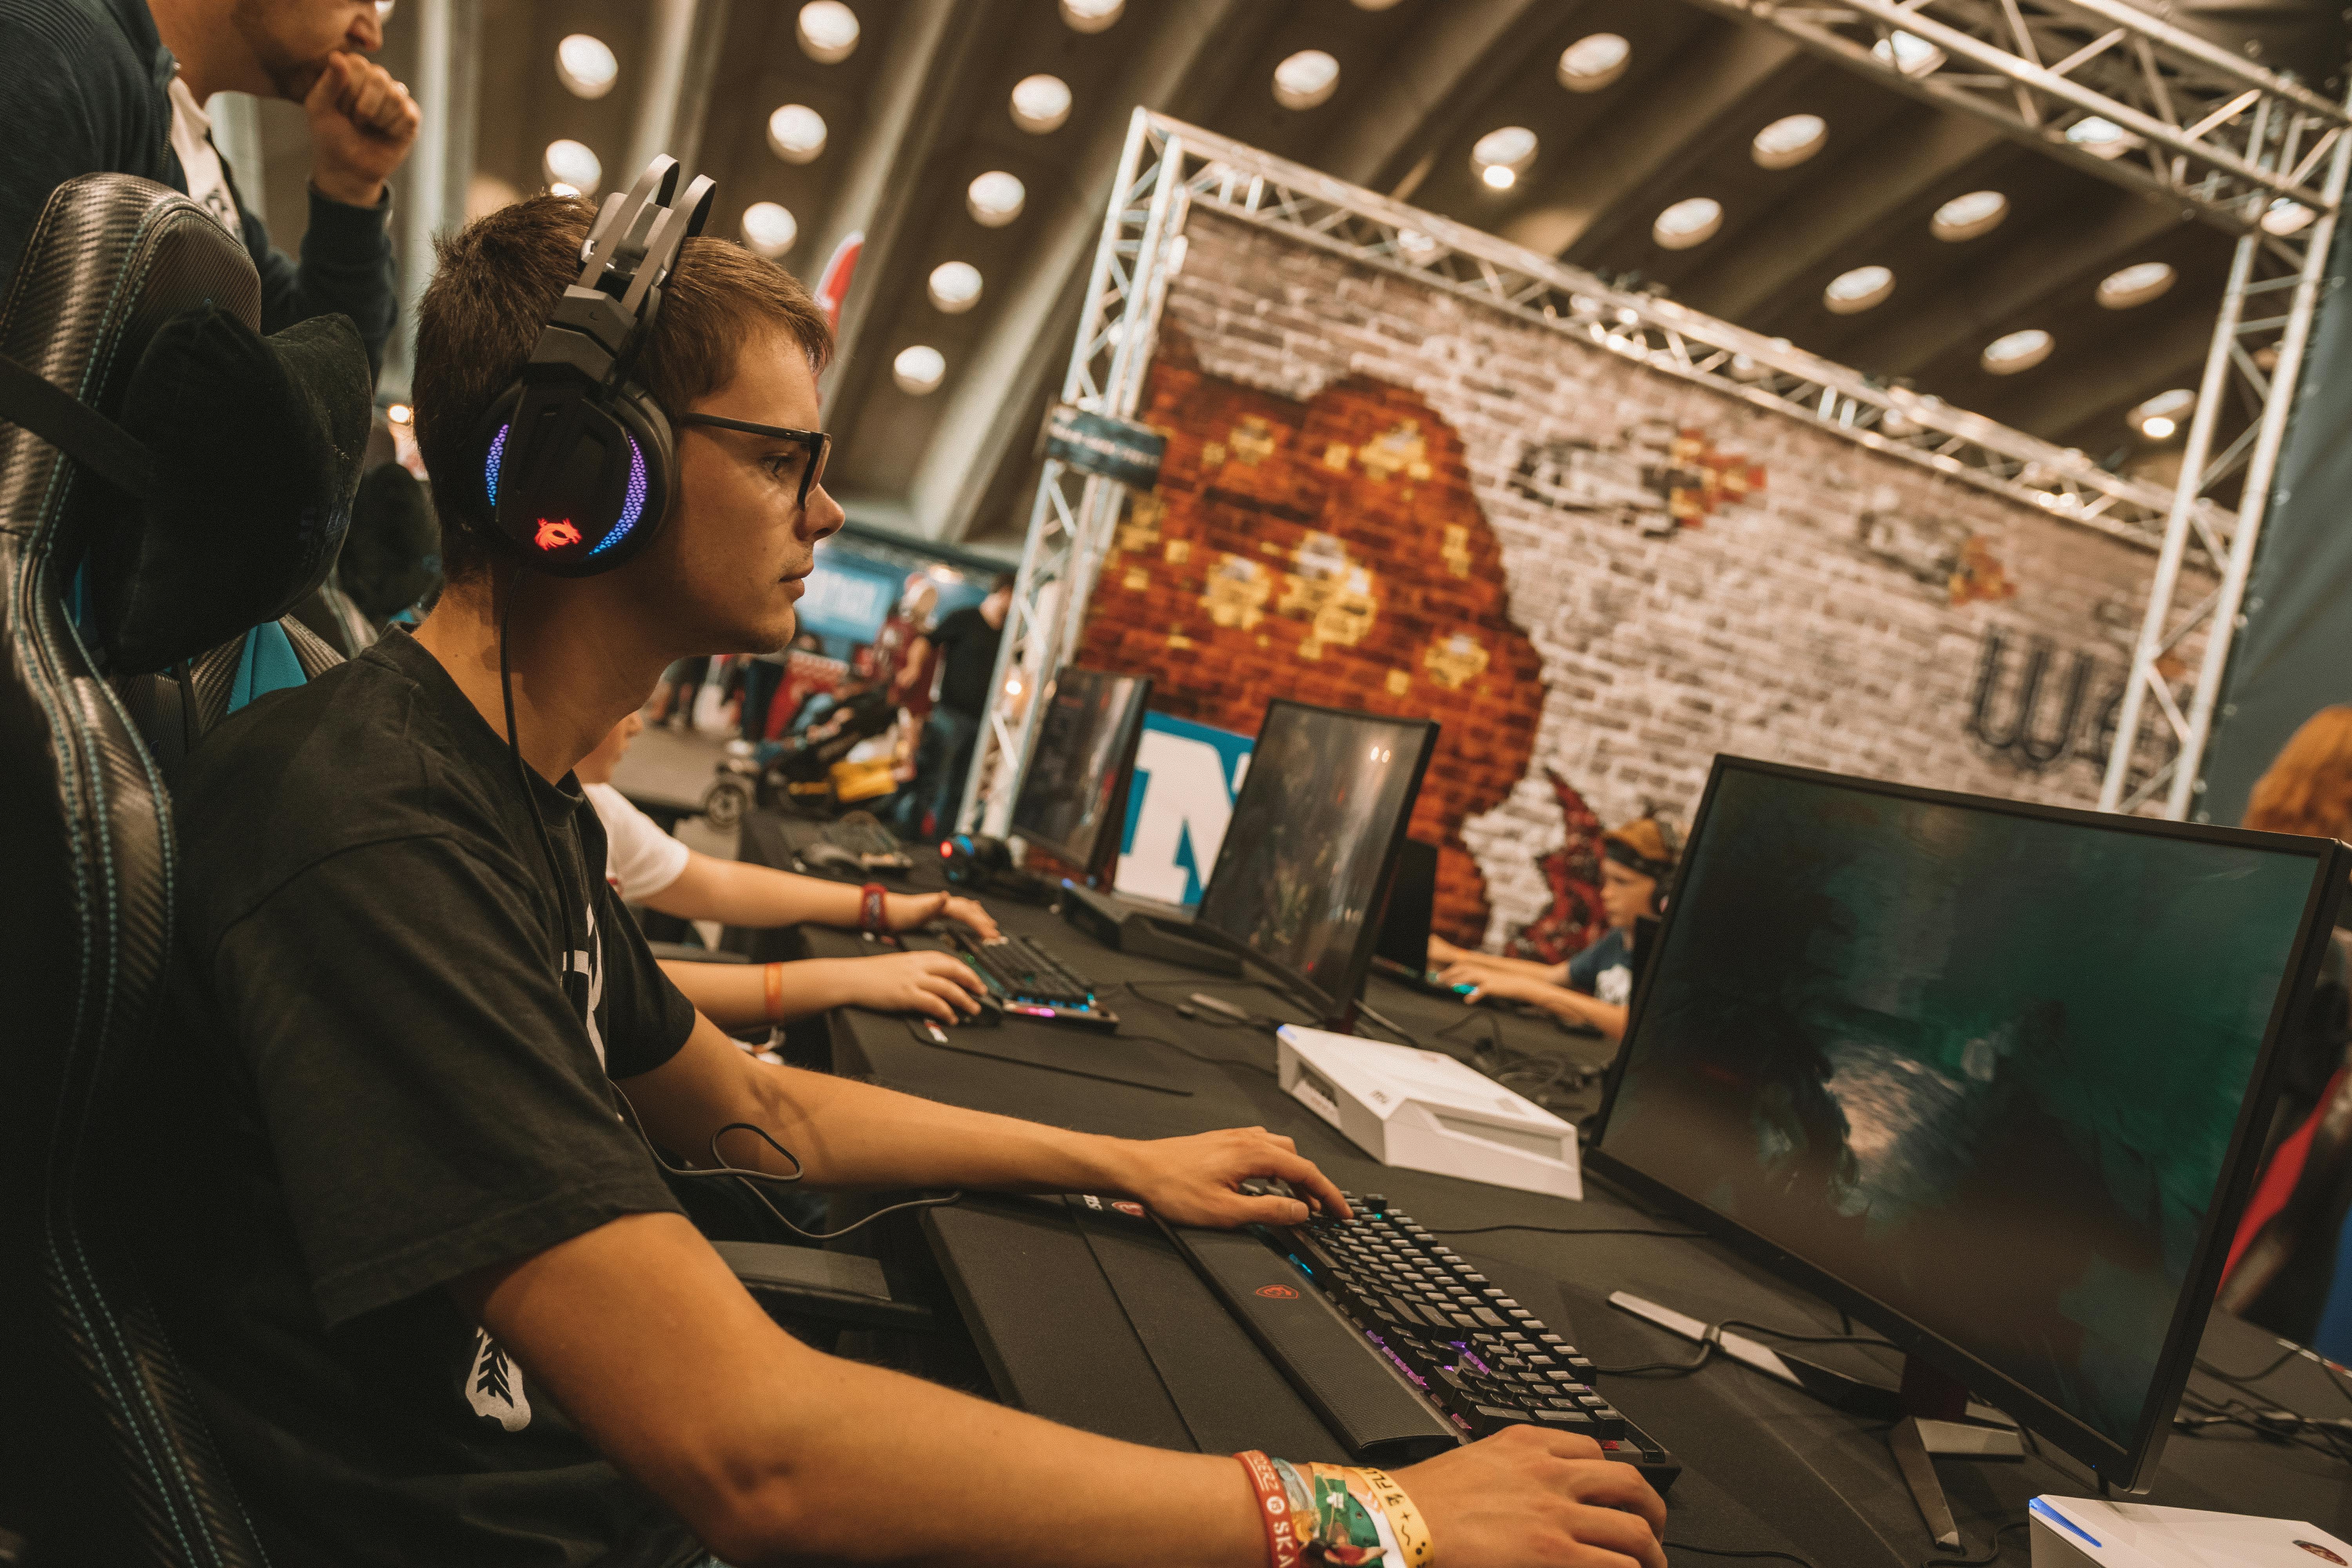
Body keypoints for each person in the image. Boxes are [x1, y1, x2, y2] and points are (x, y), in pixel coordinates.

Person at [131, 192, 1671, 1567]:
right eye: (786, 458)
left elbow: (768, 1109)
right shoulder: (377, 839)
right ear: (588, 470)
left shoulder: (496, 791)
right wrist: (1376, 1516)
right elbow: (759, 1458)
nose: (829, 512)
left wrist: (1119, 1165)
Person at [0, 0, 414, 376]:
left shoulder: (191, 147)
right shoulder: (55, 48)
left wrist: (351, 188)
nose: (371, 36)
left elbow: (322, 385)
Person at [578, 706, 996, 1028]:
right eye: (626, 701)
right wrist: (847, 979)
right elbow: (620, 988)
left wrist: (882, 908)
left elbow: (715, 885)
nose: (637, 724)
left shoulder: (596, 803)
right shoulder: (541, 823)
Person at [1430, 817, 1679, 1043]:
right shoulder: (1620, 939)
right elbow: (1554, 976)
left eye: (1622, 882)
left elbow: (1633, 1025)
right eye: (1607, 880)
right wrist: (1454, 956)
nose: (1606, 893)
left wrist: (1530, 992)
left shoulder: (1672, 956)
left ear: (1664, 895)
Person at [894, 571, 1013, 840]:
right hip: (950, 714)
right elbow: (926, 642)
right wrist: (914, 668)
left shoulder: (1009, 635)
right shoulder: (965, 618)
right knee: (934, 778)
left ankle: (941, 842)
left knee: (961, 787)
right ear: (1005, 593)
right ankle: (910, 835)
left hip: (982, 722)